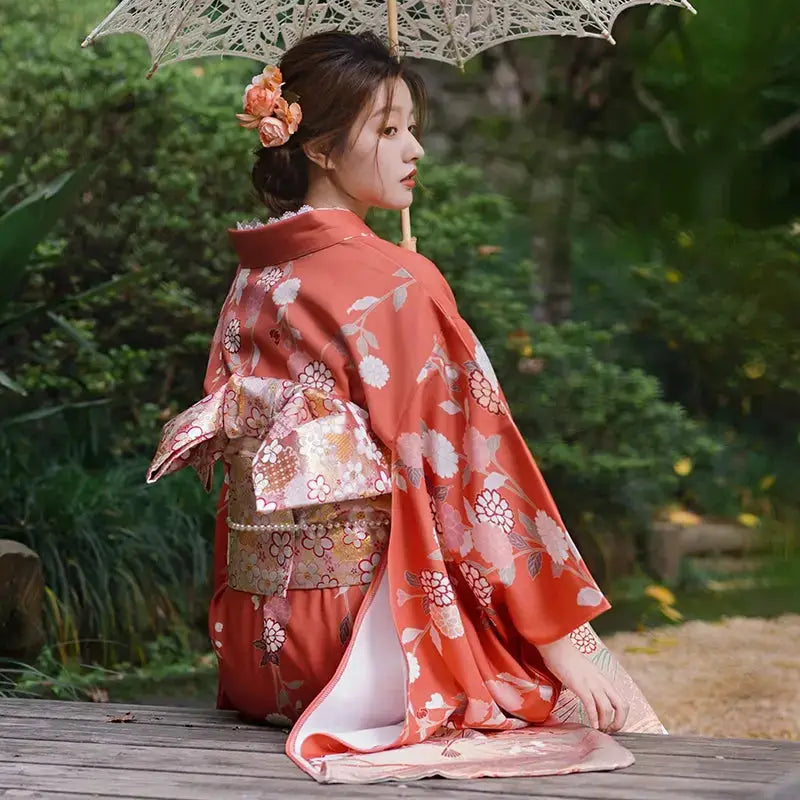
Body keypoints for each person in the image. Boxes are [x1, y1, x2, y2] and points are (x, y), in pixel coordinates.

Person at [147, 30, 662, 783]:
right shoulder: (396, 282)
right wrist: (561, 638)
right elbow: (473, 473)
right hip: (362, 654)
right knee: (561, 691)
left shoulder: (252, 280)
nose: (414, 147)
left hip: (263, 653)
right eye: (388, 129)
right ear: (320, 149)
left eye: (411, 126)